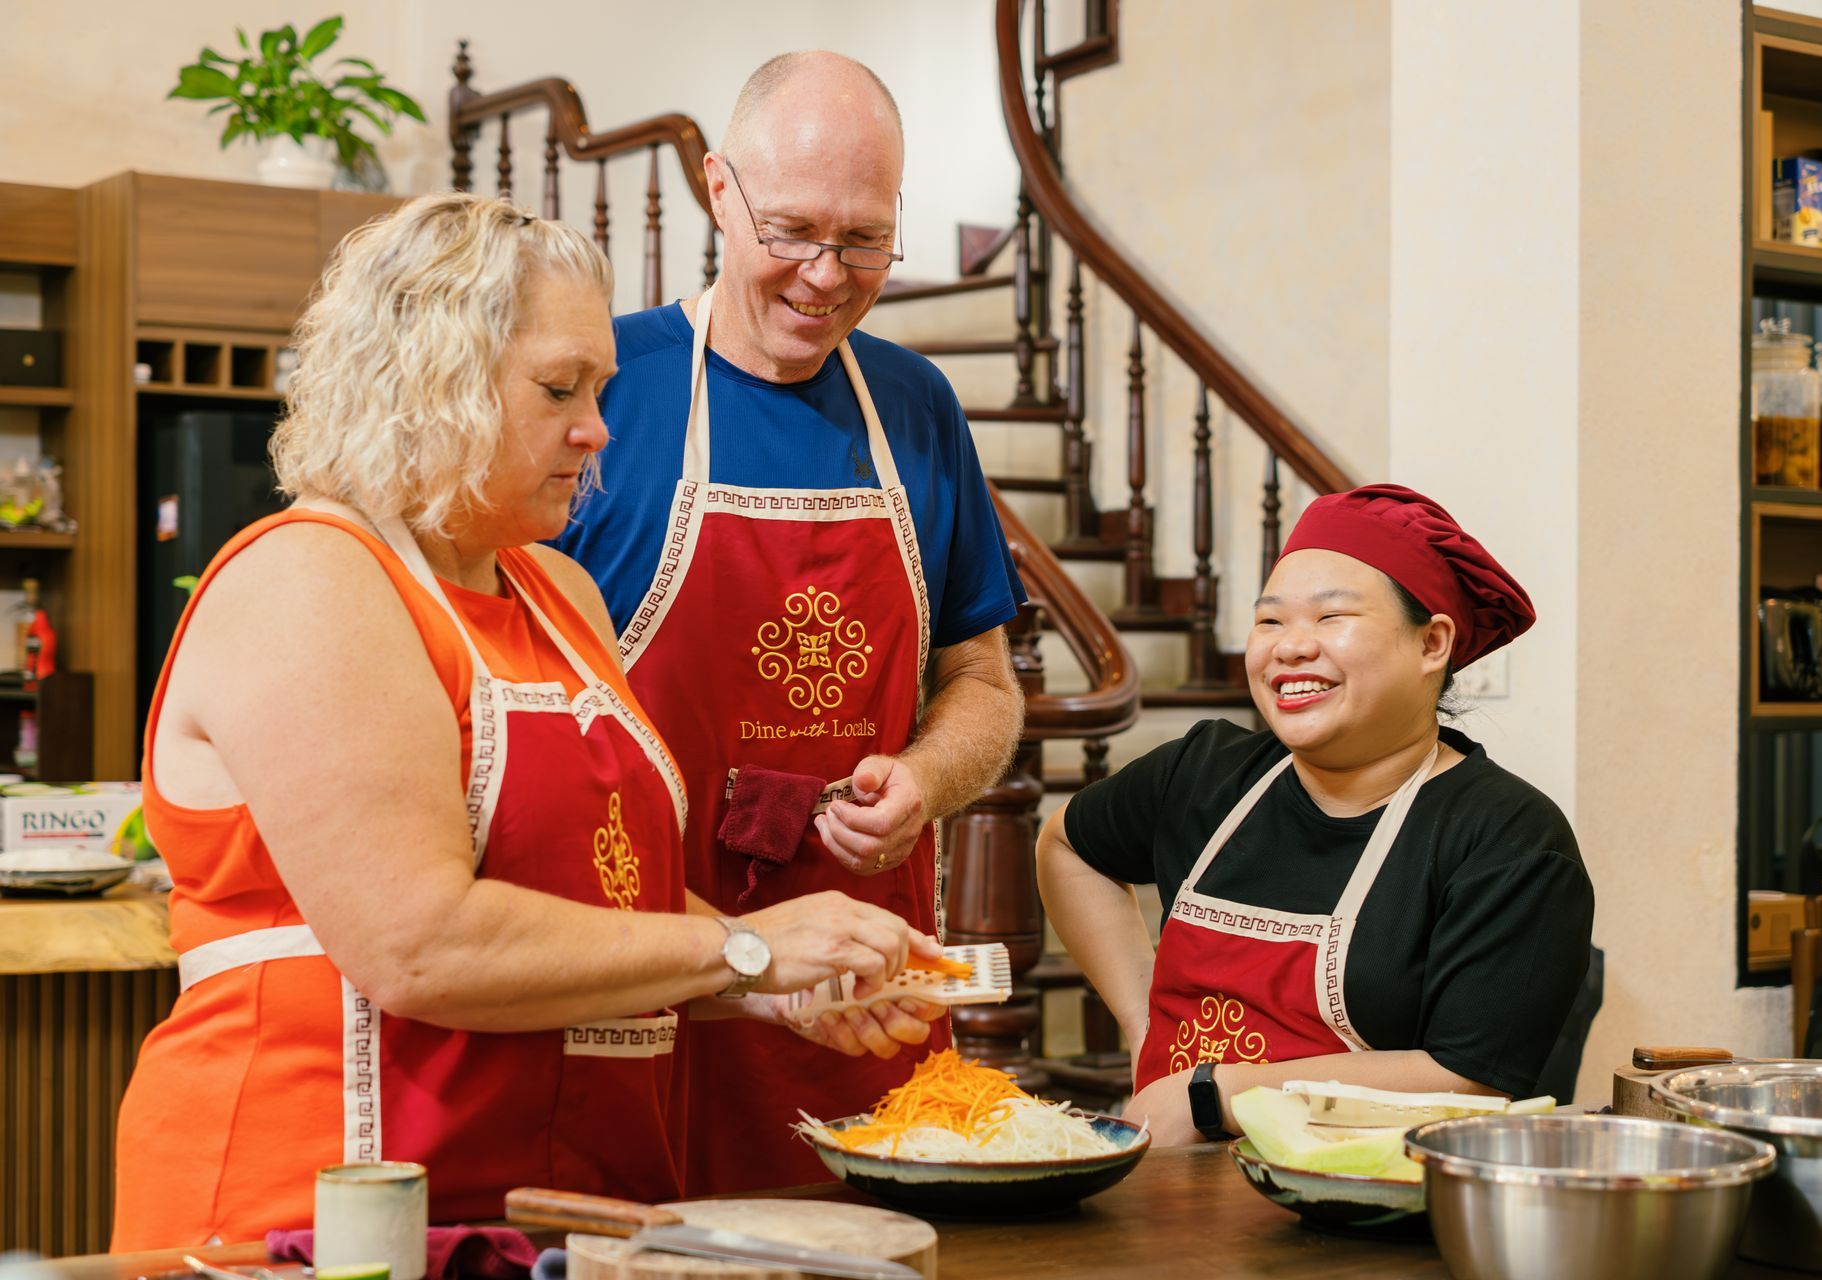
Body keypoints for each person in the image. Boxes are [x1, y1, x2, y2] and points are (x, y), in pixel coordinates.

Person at [111, 194, 942, 1249]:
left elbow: (605, 895)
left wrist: (778, 991)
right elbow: (418, 942)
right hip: (319, 1209)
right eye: (559, 389)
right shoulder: (309, 578)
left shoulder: (558, 591)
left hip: (565, 1197)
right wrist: (739, 948)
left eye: (600, 387)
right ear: (429, 381)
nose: (597, 428)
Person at [552, 52, 1027, 1194]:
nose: (827, 274)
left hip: (867, 1008)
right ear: (719, 190)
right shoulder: (603, 389)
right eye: (795, 229)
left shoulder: (914, 405)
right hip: (637, 994)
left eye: (865, 238)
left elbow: (986, 683)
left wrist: (926, 776)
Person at [1037, 484, 1595, 1145]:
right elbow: (1065, 846)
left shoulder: (1508, 839)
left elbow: (1472, 1082)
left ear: (1432, 644)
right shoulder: (1204, 775)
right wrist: (1143, 1026)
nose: (1291, 647)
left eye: (1331, 618)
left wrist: (1215, 1094)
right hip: (1169, 1197)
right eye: (1270, 621)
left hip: (1352, 1213)